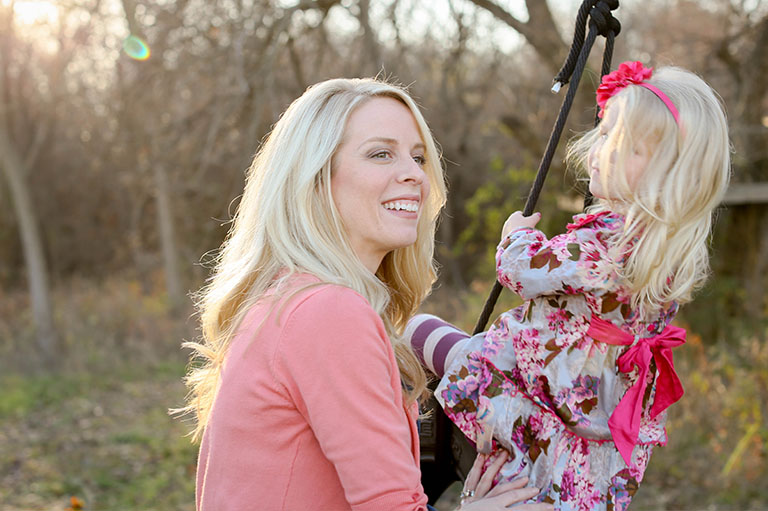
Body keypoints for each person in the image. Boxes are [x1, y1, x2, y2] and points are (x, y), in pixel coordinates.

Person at [177, 77, 553, 511]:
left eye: (418, 156)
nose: (415, 173)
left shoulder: (284, 299)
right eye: (380, 154)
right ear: (315, 179)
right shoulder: (327, 313)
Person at [405, 61, 730, 511]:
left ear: (671, 177)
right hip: (592, 415)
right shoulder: (667, 252)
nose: (603, 150)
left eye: (628, 146)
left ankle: (392, 429)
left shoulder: (601, 244)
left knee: (416, 331)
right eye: (605, 134)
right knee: (545, 482)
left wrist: (514, 235)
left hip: (533, 389)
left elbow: (522, 270)